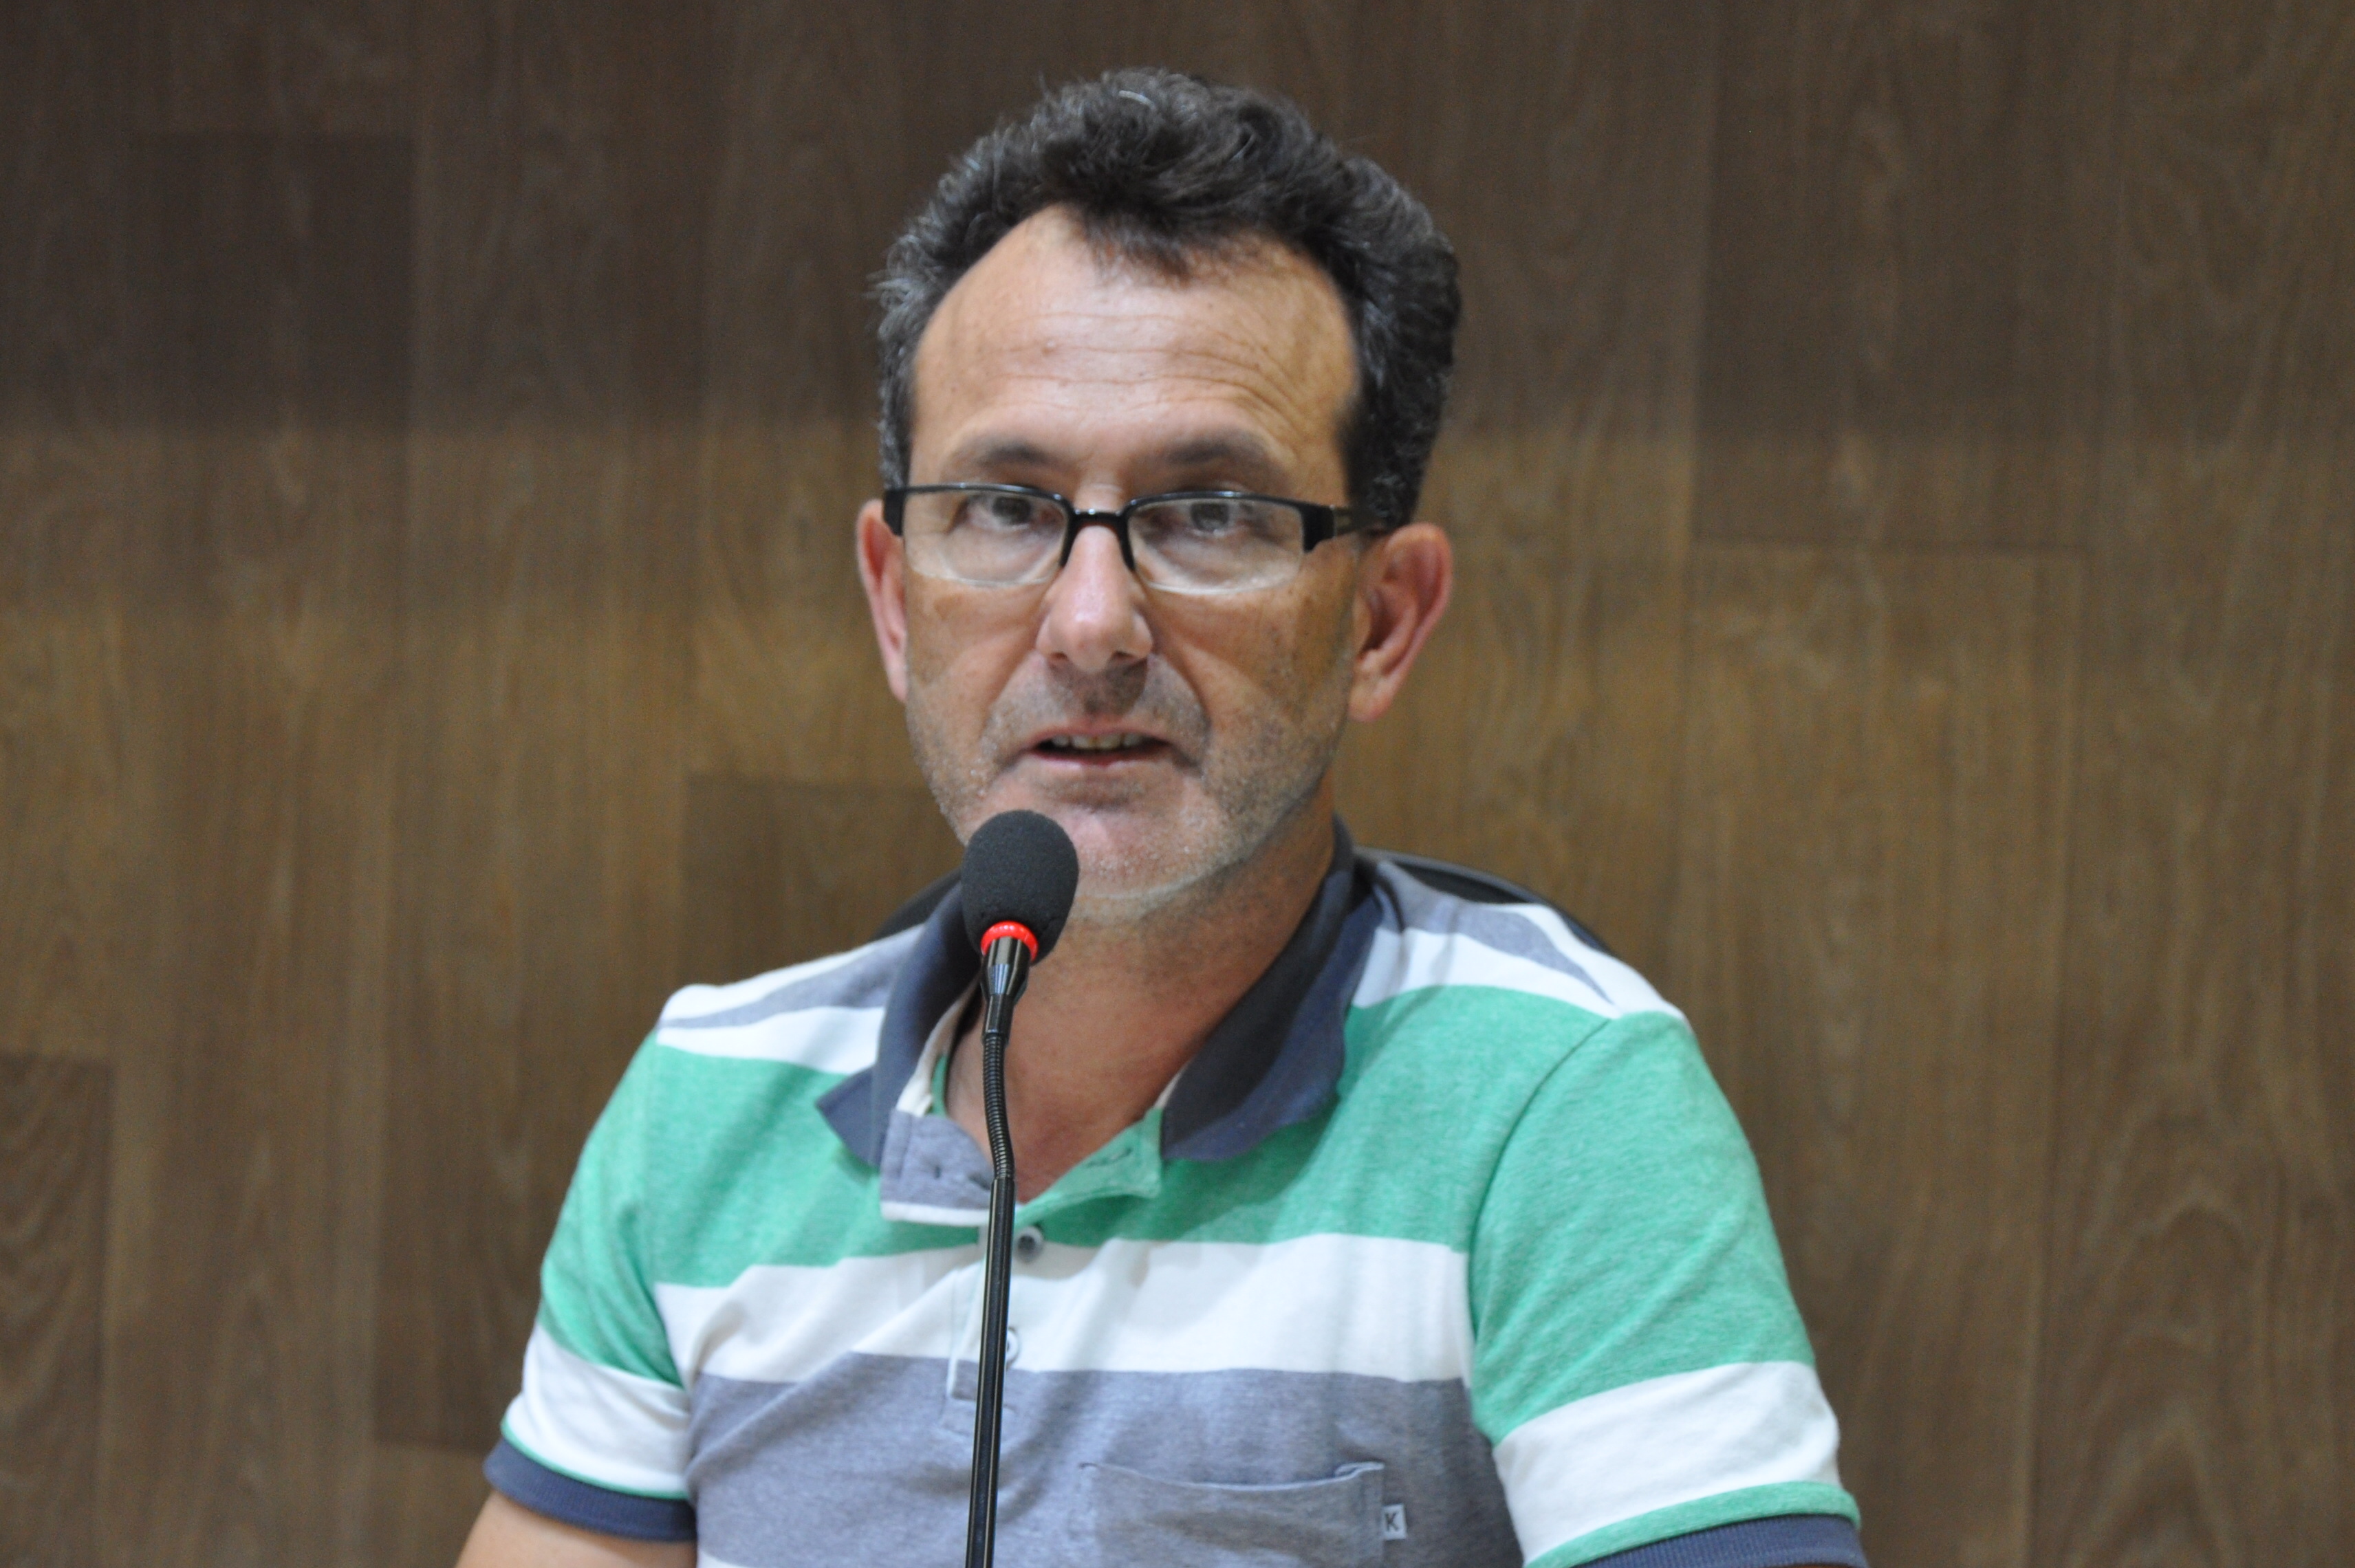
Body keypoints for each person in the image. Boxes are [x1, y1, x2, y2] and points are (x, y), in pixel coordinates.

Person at [457, 69, 1866, 1568]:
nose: (1090, 625)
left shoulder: (1555, 1104)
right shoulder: (703, 1104)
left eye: (1209, 514)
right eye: (1006, 508)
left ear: (1382, 621)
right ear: (894, 602)